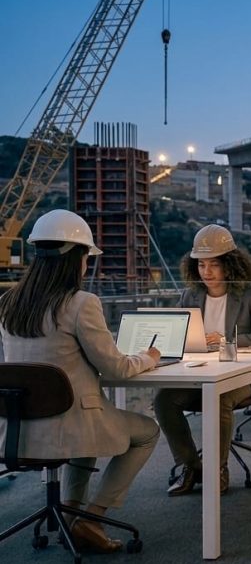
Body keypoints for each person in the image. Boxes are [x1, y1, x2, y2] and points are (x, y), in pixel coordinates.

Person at [0, 209, 161, 553]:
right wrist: (148, 358)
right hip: (69, 427)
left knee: (85, 425)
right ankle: (91, 517)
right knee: (147, 432)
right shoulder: (80, 303)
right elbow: (116, 368)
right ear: (76, 258)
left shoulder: (8, 303)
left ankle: (72, 516)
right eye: (86, 256)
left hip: (18, 432)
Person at [155, 224, 251, 496]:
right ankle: (191, 466)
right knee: (163, 399)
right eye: (200, 265)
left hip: (241, 376)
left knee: (220, 397)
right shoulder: (190, 295)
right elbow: (177, 334)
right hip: (198, 375)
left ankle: (218, 469)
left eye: (213, 265)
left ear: (229, 265)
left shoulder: (250, 295)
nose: (206, 272)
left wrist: (224, 340)